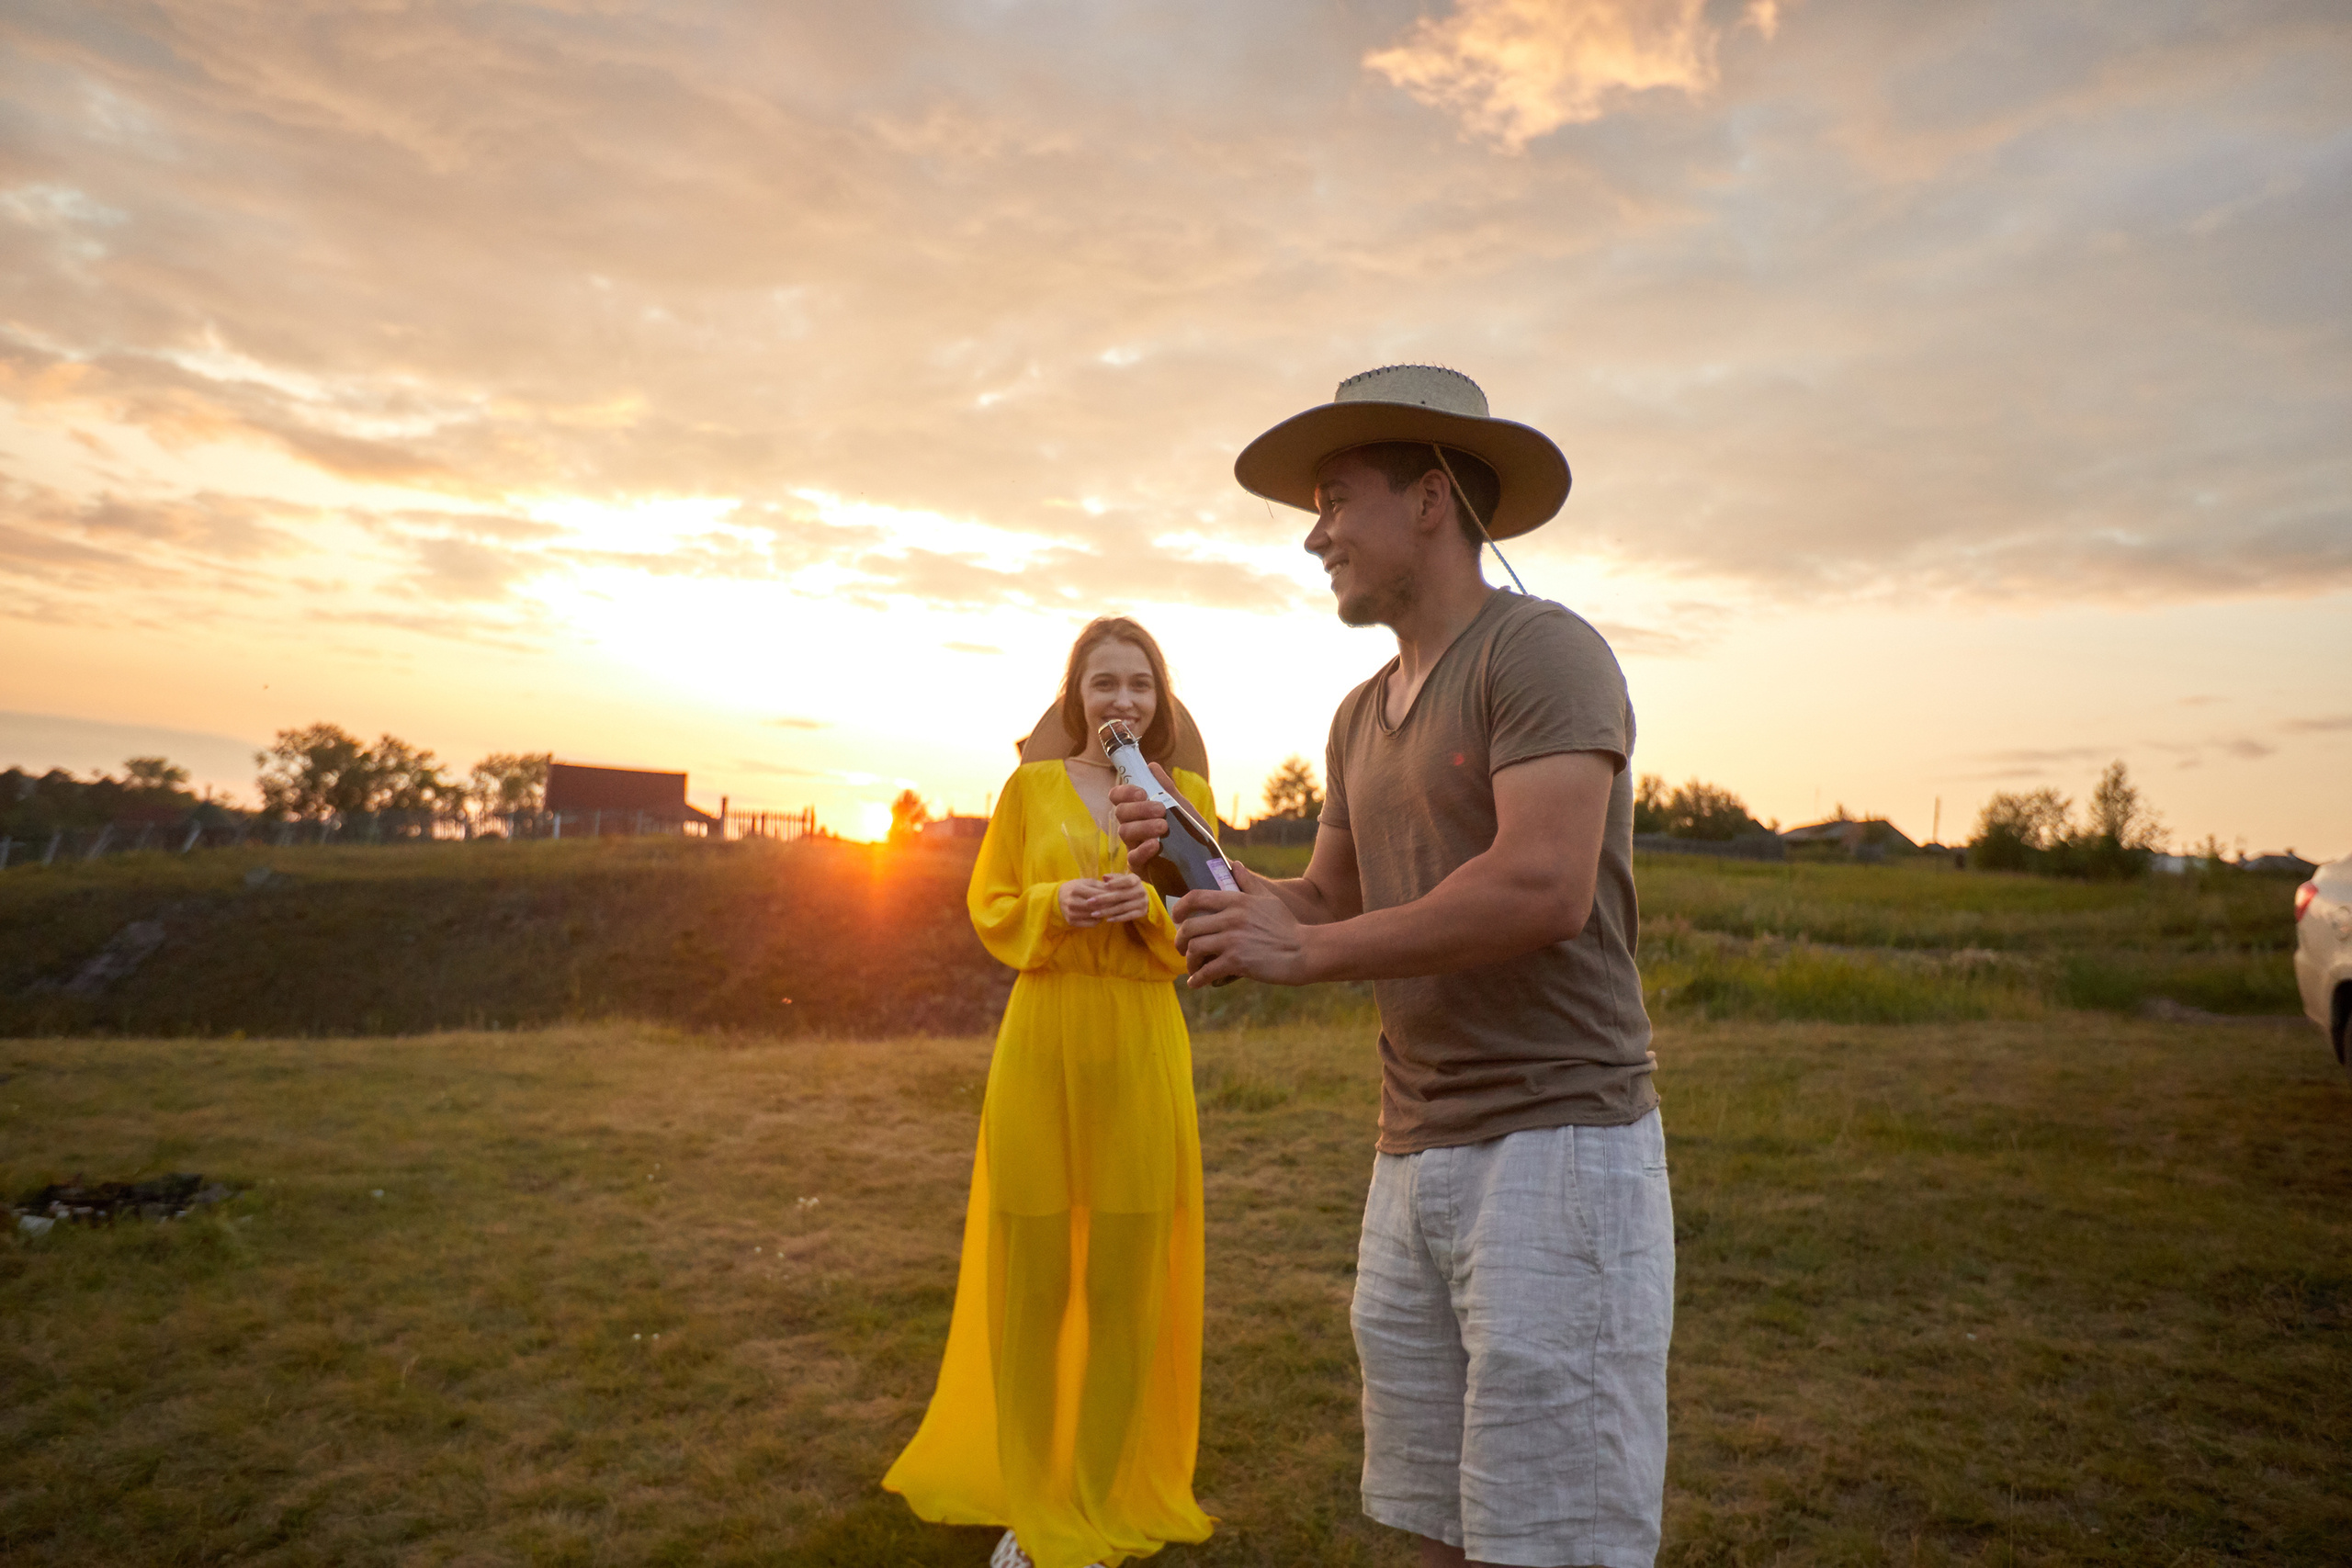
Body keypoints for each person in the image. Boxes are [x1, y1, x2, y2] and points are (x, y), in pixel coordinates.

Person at [1115, 367, 1674, 1568]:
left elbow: (1541, 883)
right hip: (1412, 1150)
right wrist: (1187, 861)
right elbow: (1320, 896)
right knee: (1430, 1513)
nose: (1314, 534)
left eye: (1335, 498)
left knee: (1546, 1531)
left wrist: (1306, 948)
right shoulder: (1361, 712)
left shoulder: (1543, 652)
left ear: (1430, 498)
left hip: (1557, 1144)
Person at [884, 616, 1218, 1568]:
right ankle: (1034, 1507)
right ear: (1075, 693)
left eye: (1140, 685)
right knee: (1034, 1275)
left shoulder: (1183, 792)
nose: (1122, 700)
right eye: (1104, 682)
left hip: (1140, 1040)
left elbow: (1211, 907)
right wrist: (1054, 904)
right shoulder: (1029, 789)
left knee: (1123, 1277)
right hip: (1042, 1039)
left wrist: (1149, 906)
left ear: (1160, 702)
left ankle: (1099, 1490)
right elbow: (989, 903)